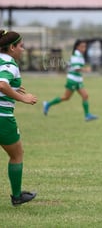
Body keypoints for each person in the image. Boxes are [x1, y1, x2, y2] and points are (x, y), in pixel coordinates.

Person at [0, 29, 37, 206]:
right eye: (21, 46)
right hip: (2, 118)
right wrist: (23, 98)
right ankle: (16, 196)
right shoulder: (10, 64)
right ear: (12, 47)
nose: (23, 49)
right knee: (17, 155)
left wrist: (14, 89)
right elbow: (2, 84)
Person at [43, 40, 98, 121]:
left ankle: (87, 115)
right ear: (77, 47)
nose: (84, 48)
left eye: (85, 46)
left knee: (85, 95)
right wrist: (86, 69)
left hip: (78, 80)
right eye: (82, 46)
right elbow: (76, 68)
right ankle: (47, 104)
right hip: (73, 80)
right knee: (66, 97)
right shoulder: (76, 55)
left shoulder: (79, 55)